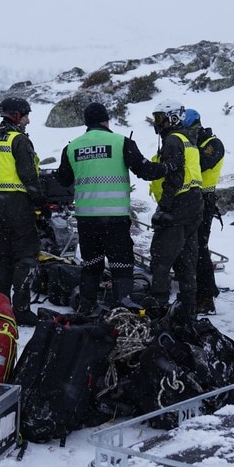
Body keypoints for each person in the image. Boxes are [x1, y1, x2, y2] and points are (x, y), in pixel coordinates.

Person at [56, 102, 168, 315]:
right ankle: (123, 303)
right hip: (115, 218)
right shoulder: (121, 142)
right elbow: (145, 171)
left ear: (87, 123)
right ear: (106, 120)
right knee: (121, 262)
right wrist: (168, 167)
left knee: (91, 262)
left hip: (87, 218)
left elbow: (63, 179)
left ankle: (87, 305)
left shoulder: (72, 147)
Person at [0, 96, 43, 326]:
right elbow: (28, 176)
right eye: (26, 115)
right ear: (16, 116)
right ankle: (21, 310)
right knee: (25, 257)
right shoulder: (19, 140)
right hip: (18, 205)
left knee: (4, 257)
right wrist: (40, 200)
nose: (28, 120)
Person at [146, 99, 204, 320]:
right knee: (187, 260)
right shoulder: (188, 139)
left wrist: (164, 207)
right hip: (194, 204)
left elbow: (175, 176)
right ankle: (188, 311)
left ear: (172, 117)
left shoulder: (172, 140)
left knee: (161, 258)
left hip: (178, 205)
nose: (157, 123)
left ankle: (159, 310)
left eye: (160, 118)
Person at [183, 108, 225, 315]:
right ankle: (195, 291)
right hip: (189, 200)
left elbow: (200, 163)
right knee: (189, 249)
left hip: (204, 201)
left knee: (199, 249)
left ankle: (207, 297)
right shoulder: (195, 145)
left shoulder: (212, 145)